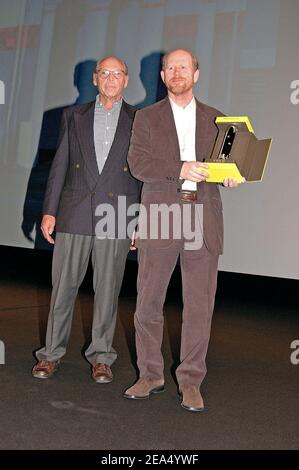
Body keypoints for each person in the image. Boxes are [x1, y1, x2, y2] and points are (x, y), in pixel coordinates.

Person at [123, 48, 242, 411]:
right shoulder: (146, 117)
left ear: (196, 73)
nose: (177, 72)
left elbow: (228, 165)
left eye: (183, 67)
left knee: (199, 306)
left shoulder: (220, 120)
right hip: (161, 218)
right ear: (162, 77)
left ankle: (191, 380)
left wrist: (231, 177)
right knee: (148, 302)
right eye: (170, 68)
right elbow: (138, 163)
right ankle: (150, 375)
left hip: (203, 219)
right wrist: (181, 167)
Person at [32, 56, 140, 383]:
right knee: (63, 287)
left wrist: (138, 220)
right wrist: (49, 211)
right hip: (74, 211)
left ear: (125, 80)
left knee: (107, 290)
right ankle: (50, 354)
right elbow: (59, 166)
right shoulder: (72, 116)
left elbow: (142, 175)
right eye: (104, 73)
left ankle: (102, 356)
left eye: (116, 73)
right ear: (94, 79)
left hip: (118, 214)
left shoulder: (140, 120)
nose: (110, 78)